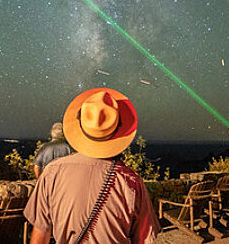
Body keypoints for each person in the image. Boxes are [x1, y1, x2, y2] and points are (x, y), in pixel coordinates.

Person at [25, 87, 160, 244]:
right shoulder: (131, 181)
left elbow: (40, 237)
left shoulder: (52, 173)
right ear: (118, 129)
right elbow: (143, 239)